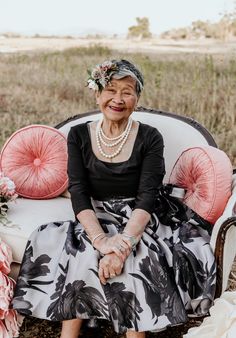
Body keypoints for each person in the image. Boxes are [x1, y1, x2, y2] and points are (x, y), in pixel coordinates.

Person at [12, 59, 216, 338]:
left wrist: (121, 247)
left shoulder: (150, 137)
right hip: (96, 213)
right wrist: (101, 240)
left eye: (127, 91)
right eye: (110, 90)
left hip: (141, 214)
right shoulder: (79, 134)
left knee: (139, 255)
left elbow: (148, 196)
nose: (118, 99)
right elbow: (79, 192)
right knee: (82, 249)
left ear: (137, 97)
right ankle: (69, 334)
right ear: (97, 94)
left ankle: (135, 334)